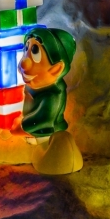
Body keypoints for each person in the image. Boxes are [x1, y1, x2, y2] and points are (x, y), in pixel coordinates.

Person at [15, 27, 83, 174]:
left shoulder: (52, 95)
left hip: (46, 133)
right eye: (26, 50)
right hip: (33, 133)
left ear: (56, 69)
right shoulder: (34, 88)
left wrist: (22, 127)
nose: (23, 63)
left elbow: (43, 118)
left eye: (35, 52)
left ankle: (44, 151)